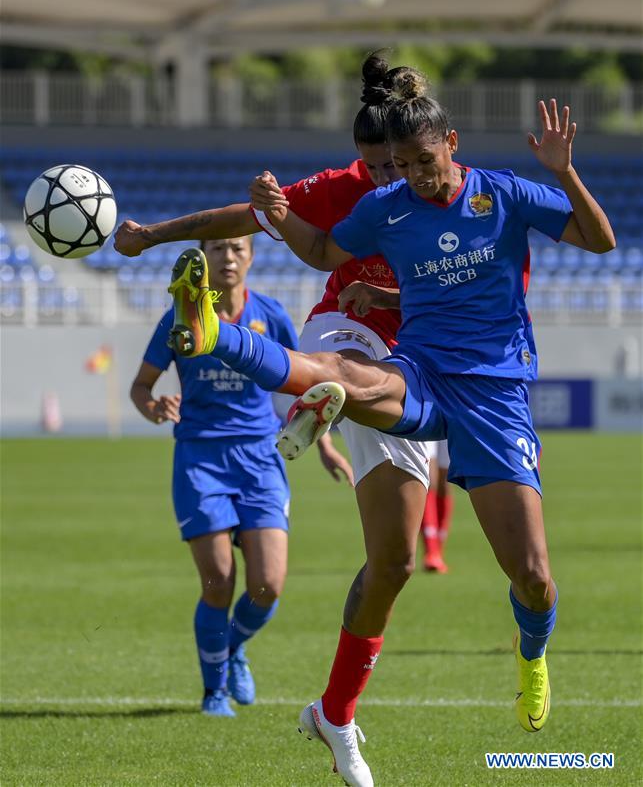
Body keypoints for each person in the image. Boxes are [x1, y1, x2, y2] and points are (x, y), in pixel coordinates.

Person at [161, 82, 615, 783]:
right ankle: (215, 331)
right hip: (421, 372)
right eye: (399, 164)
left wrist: (562, 171)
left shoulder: (504, 194)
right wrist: (279, 217)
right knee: (348, 376)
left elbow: (599, 238)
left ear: (451, 145)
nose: (410, 175)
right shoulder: (386, 207)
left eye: (422, 160)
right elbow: (319, 252)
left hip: (494, 396)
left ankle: (531, 654)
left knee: (532, 579)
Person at [115, 53, 435, 787]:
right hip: (332, 347)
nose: (380, 181)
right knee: (333, 363)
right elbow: (248, 216)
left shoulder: (451, 192)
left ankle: (325, 702)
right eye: (368, 167)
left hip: (414, 353)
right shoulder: (347, 188)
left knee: (391, 562)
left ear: (421, 151)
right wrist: (155, 233)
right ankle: (300, 393)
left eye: (389, 166)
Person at [130, 236, 351, 717]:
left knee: (268, 585)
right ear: (203, 259)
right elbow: (141, 386)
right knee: (218, 583)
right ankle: (214, 691)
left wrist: (326, 445)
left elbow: (304, 384)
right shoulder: (179, 317)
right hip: (200, 457)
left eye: (236, 249)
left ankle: (231, 649)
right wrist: (154, 407)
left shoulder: (269, 315)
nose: (227, 258)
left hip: (260, 457)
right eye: (217, 250)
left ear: (250, 256)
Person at [422, 440, 452, 573]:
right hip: (427, 418)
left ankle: (438, 549)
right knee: (429, 479)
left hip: (454, 418)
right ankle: (432, 551)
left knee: (444, 482)